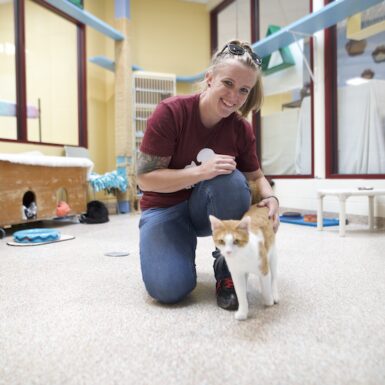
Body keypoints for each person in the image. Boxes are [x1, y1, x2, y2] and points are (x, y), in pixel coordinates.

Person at [136, 39, 280, 311]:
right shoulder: (171, 113)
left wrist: (272, 198)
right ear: (209, 78)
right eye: (228, 83)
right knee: (168, 289)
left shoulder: (240, 129)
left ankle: (225, 265)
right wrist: (201, 172)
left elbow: (257, 176)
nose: (234, 97)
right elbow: (144, 178)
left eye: (244, 90)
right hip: (164, 208)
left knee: (232, 180)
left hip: (210, 209)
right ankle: (176, 247)